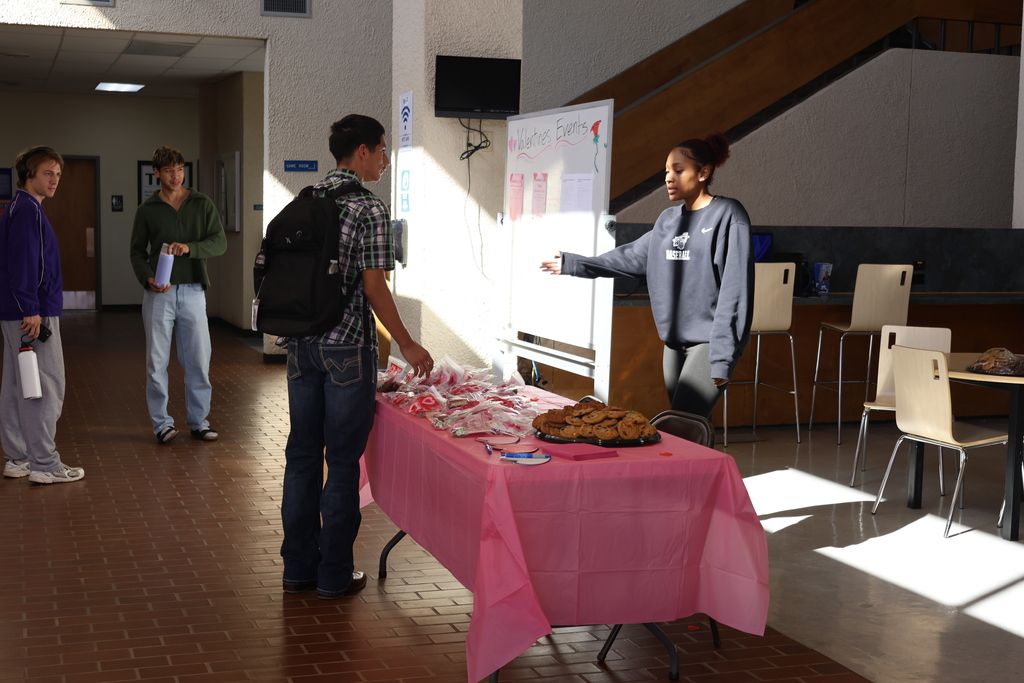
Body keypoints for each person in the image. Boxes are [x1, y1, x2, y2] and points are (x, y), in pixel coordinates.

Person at [280, 114, 433, 600]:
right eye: (383, 149)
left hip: (301, 346)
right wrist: (407, 342)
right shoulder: (368, 208)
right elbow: (374, 287)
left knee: (302, 456)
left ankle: (298, 570)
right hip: (347, 349)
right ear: (362, 151)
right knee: (342, 462)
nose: (387, 159)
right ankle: (334, 576)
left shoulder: (307, 199)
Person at [541, 134, 753, 419]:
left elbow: (735, 291)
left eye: (678, 170)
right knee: (692, 426)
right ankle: (707, 465)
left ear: (703, 173)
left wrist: (723, 358)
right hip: (673, 345)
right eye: (667, 170)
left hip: (710, 344)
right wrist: (573, 263)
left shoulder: (727, 215)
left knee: (681, 424)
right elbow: (631, 257)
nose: (669, 177)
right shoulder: (668, 220)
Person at [129, 146, 226, 444]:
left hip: (194, 291)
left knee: (198, 360)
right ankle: (162, 424)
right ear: (156, 173)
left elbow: (219, 242)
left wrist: (191, 248)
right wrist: (148, 277)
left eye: (180, 169)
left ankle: (199, 422)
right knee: (156, 361)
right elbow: (137, 251)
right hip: (159, 295)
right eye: (169, 170)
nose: (176, 175)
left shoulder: (202, 203)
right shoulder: (147, 210)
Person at [0, 147, 84, 484]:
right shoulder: (27, 211)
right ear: (29, 175)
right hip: (31, 315)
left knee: (17, 385)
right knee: (44, 386)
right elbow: (24, 265)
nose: (54, 180)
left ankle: (18, 457)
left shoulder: (17, 208)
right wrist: (31, 309)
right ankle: (45, 464)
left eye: (58, 174)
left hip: (16, 313)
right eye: (47, 173)